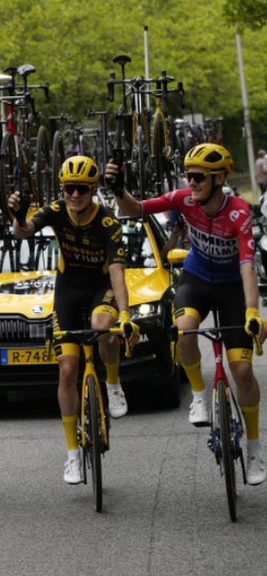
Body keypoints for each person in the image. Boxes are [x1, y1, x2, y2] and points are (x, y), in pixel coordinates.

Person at [109, 143, 267, 485]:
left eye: (198, 177)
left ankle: (254, 447)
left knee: (241, 369)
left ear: (219, 179)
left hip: (231, 289)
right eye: (188, 176)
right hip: (195, 279)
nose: (191, 183)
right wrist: (118, 189)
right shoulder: (182, 199)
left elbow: (246, 267)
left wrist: (253, 311)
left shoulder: (239, 212)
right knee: (185, 330)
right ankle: (198, 395)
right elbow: (134, 209)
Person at [9, 156, 138, 485]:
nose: (74, 195)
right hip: (67, 290)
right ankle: (72, 456)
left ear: (93, 190)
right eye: (69, 188)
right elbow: (23, 233)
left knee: (102, 327)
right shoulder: (55, 210)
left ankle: (112, 383)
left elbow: (118, 275)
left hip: (99, 288)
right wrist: (17, 215)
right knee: (67, 368)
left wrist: (124, 315)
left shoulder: (108, 223)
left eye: (81, 189)